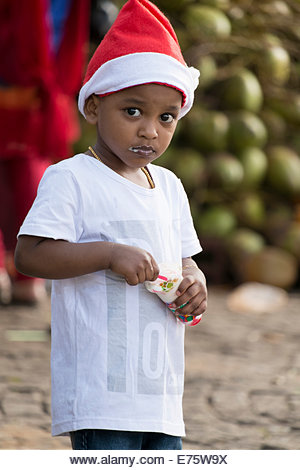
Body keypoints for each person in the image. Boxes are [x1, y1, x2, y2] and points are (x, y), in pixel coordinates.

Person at [15, 0, 207, 451]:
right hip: (100, 394)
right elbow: (30, 253)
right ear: (95, 108)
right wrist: (108, 253)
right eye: (133, 111)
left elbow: (185, 259)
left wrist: (194, 284)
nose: (150, 131)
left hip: (161, 394)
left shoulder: (169, 186)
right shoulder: (71, 178)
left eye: (166, 118)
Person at [0, 0, 90, 303]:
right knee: (29, 170)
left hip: (23, 74)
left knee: (25, 173)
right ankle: (28, 278)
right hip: (46, 78)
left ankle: (19, 273)